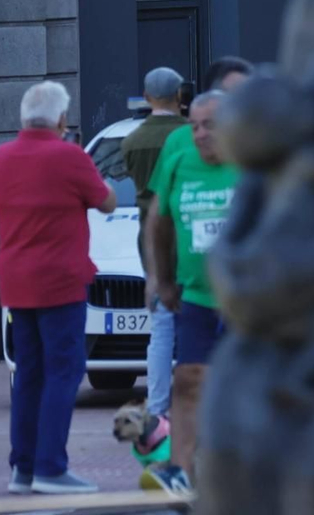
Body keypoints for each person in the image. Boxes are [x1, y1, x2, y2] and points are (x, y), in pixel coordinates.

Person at [0, 80, 115, 497]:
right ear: (62, 120)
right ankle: (50, 467)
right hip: (60, 279)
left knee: (29, 373)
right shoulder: (69, 156)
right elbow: (106, 201)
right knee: (65, 371)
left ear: (23, 117)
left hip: (16, 279)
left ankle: (22, 468)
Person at [145, 90, 240, 484]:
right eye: (194, 125)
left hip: (247, 300)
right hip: (197, 295)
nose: (200, 134)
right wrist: (161, 279)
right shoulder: (180, 160)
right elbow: (157, 221)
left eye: (210, 125)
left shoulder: (253, 163)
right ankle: (181, 472)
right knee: (187, 381)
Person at [121, 66, 188, 421]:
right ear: (181, 96)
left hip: (151, 242)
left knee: (160, 330)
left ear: (147, 98)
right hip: (187, 237)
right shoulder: (191, 135)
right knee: (197, 327)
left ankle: (158, 406)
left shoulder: (132, 141)